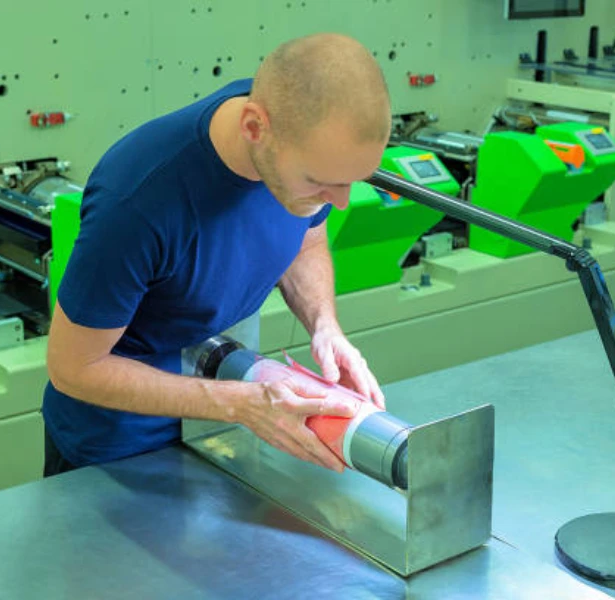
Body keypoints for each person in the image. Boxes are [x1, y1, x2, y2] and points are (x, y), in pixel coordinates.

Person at [43, 33, 391, 477]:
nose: (339, 202)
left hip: (223, 424)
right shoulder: (139, 200)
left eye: (351, 181)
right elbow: (73, 368)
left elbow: (308, 240)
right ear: (253, 128)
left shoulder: (300, 138)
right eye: (321, 182)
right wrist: (240, 404)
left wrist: (326, 327)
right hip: (119, 451)